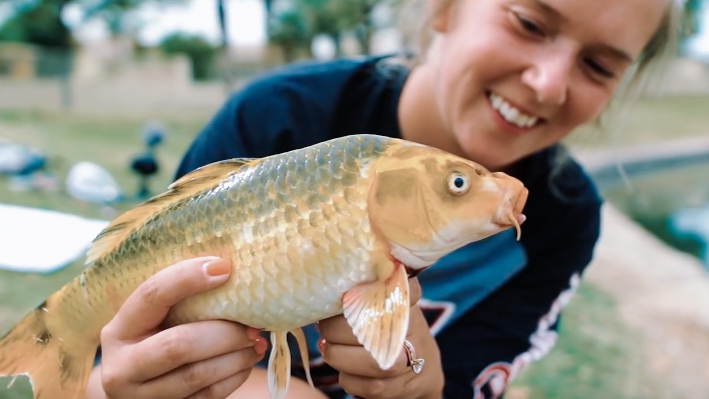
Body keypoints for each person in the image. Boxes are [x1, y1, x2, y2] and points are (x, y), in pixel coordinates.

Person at [85, 0, 683, 398]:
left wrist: (421, 384)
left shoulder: (565, 220)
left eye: (600, 66)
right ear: (446, 8)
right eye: (528, 23)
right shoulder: (277, 120)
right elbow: (121, 351)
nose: (548, 83)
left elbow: (461, 384)